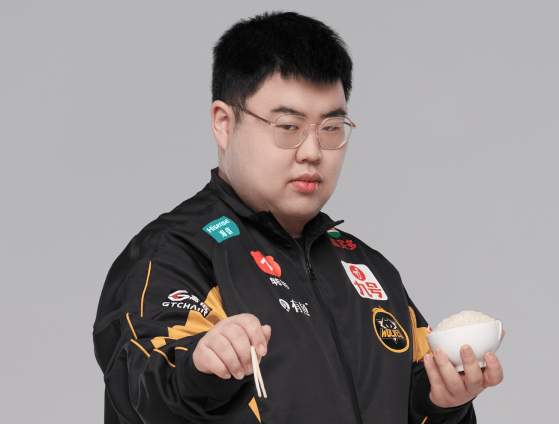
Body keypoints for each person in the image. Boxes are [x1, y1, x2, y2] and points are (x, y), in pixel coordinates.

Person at [93, 11, 504, 424]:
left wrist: (442, 404)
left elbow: (412, 401)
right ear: (224, 123)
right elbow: (141, 387)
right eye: (288, 126)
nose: (312, 152)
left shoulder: (370, 269)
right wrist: (198, 372)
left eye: (331, 127)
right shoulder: (174, 253)